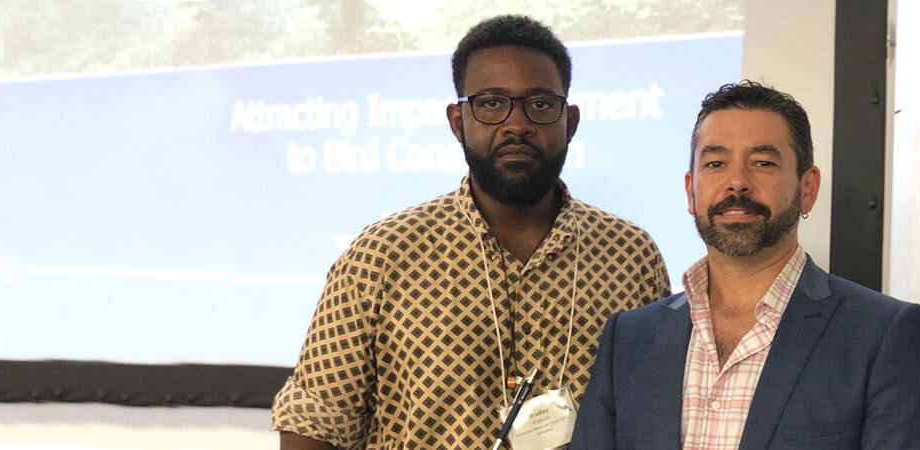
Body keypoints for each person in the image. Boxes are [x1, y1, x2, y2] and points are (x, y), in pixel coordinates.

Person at [271, 15, 672, 449]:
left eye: (539, 104)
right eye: (491, 103)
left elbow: (653, 416)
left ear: (569, 122)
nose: (516, 124)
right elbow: (315, 425)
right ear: (458, 121)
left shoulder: (630, 256)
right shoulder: (382, 255)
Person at [571, 80, 920, 449]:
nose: (737, 183)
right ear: (691, 190)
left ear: (807, 189)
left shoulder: (885, 336)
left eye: (763, 163)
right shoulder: (630, 338)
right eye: (716, 163)